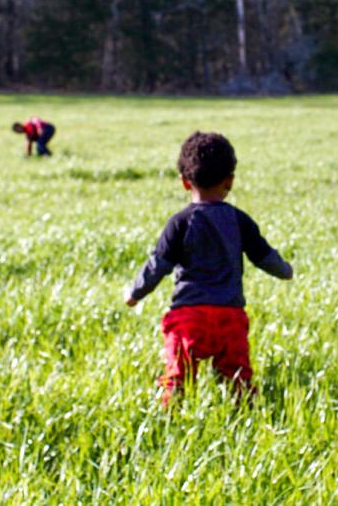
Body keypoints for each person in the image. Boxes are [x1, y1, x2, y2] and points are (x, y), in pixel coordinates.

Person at [125, 131, 294, 405]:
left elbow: (158, 265)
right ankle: (245, 419)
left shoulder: (179, 222)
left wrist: (134, 293)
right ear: (230, 181)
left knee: (177, 379)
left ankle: (167, 421)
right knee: (239, 380)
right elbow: (264, 256)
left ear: (184, 182)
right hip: (230, 318)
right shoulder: (239, 220)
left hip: (188, 318)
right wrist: (285, 270)